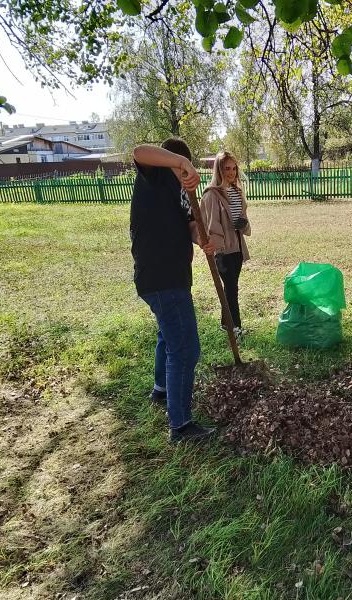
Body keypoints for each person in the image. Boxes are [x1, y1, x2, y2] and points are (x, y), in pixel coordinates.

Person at [130, 138, 217, 444]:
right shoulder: (154, 174)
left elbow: (192, 225)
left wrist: (201, 239)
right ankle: (180, 426)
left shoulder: (183, 191)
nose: (185, 172)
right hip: (161, 275)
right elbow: (139, 151)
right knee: (185, 349)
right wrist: (179, 162)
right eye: (181, 165)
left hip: (173, 275)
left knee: (168, 336)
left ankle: (161, 390)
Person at [201, 151, 251, 338]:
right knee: (231, 289)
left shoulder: (237, 191)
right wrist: (218, 250)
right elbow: (210, 224)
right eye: (226, 168)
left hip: (237, 246)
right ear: (218, 170)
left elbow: (243, 218)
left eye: (233, 168)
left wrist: (243, 224)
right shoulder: (212, 194)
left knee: (231, 287)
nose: (231, 172)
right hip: (222, 250)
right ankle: (235, 327)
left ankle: (225, 324)